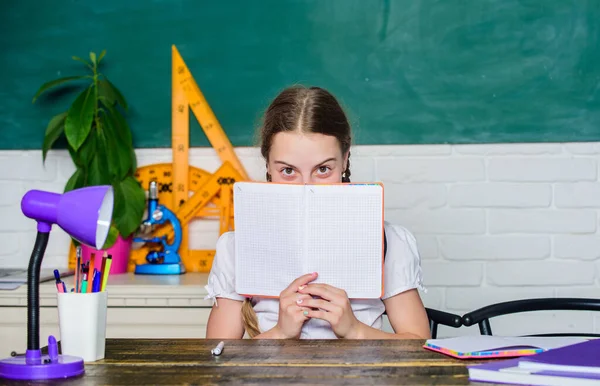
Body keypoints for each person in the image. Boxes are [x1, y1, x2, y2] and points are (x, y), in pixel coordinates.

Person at [205, 86, 430, 339]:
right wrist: (280, 333)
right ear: (267, 164)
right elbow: (218, 356)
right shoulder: (236, 246)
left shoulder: (388, 240)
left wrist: (354, 329)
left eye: (323, 169)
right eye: (288, 171)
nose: (306, 188)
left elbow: (417, 343)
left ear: (345, 160)